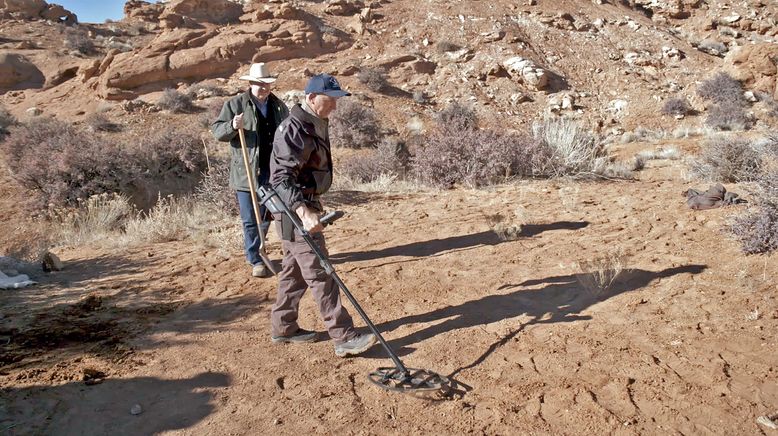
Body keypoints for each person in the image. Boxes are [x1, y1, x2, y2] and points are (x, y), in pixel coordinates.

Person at [268, 74, 377, 357]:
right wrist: (303, 211)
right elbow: (280, 178)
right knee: (321, 272)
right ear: (312, 98)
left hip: (302, 206)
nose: (335, 108)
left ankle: (283, 327)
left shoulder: (313, 123)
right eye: (330, 101)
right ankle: (343, 337)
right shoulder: (293, 129)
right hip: (292, 211)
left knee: (294, 273)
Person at [212, 63, 289, 278]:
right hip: (246, 171)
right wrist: (232, 127)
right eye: (259, 84)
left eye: (267, 84)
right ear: (250, 83)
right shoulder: (235, 104)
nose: (263, 88)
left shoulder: (278, 106)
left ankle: (268, 250)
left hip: (273, 171)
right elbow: (217, 131)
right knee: (249, 218)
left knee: (271, 214)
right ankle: (255, 258)